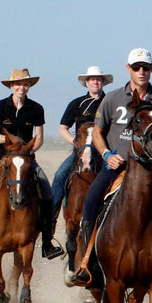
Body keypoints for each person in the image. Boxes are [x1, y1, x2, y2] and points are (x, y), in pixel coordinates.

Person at [68, 49, 152, 290]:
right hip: (116, 167)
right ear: (128, 68)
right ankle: (89, 266)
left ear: (151, 70)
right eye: (136, 67)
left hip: (151, 170)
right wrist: (107, 154)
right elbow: (97, 132)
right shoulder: (113, 99)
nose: (141, 72)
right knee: (90, 204)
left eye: (145, 68)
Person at [0, 68, 65, 260]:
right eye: (17, 84)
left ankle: (47, 241)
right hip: (1, 157)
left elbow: (39, 138)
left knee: (47, 192)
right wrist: (13, 143)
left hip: (25, 158)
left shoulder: (36, 109)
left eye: (25, 84)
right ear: (11, 86)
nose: (21, 87)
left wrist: (29, 150)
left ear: (29, 86)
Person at [50, 65, 112, 210]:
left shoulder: (109, 102)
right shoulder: (76, 104)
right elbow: (63, 128)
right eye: (92, 79)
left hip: (104, 153)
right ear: (86, 82)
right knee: (59, 176)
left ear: (103, 82)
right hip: (80, 152)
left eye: (98, 79)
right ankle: (51, 217)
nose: (95, 82)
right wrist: (76, 143)